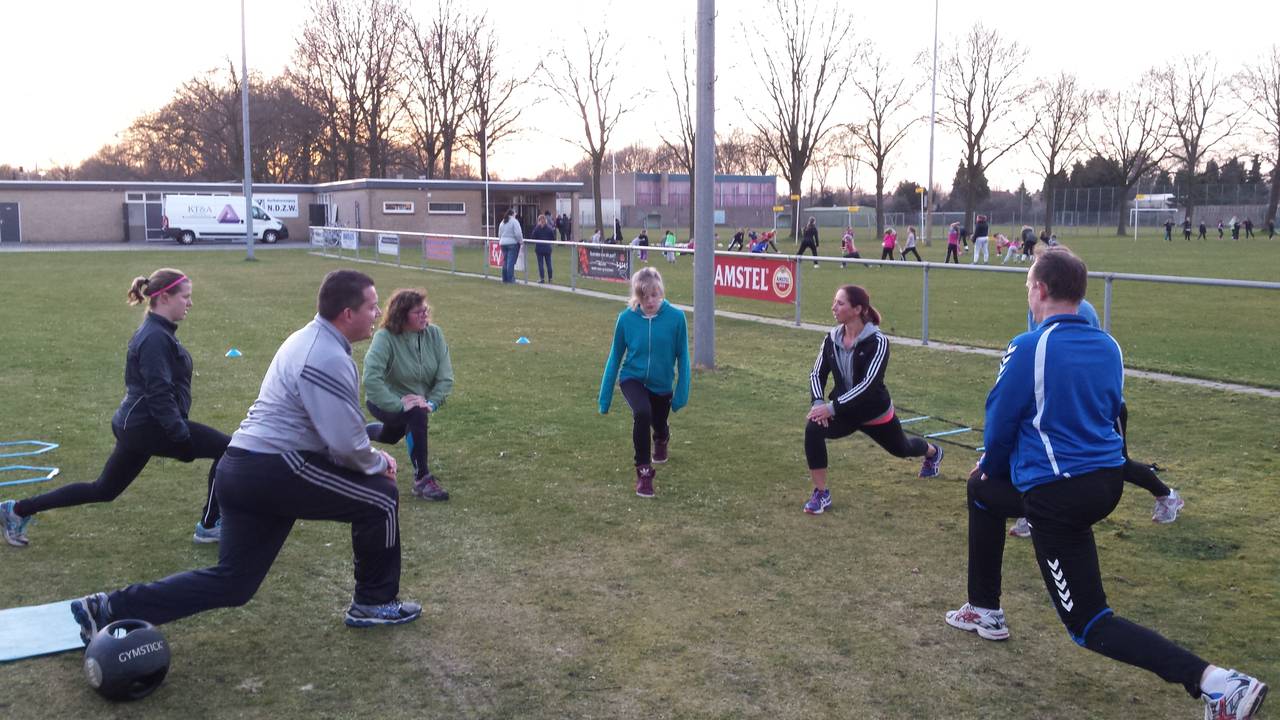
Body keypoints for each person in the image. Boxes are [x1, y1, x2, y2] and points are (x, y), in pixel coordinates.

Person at [944, 249, 1266, 720]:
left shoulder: (1029, 346)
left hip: (1060, 496)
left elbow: (1000, 421)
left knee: (1089, 625)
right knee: (983, 494)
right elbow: (1109, 413)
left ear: (1040, 290)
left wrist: (990, 463)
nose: (1027, 293)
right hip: (1105, 483)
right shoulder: (1109, 346)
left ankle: (1218, 684)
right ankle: (984, 608)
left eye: (1028, 285)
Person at [69, 270, 423, 644]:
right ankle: (374, 603)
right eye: (371, 306)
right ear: (347, 314)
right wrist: (379, 462)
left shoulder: (307, 338)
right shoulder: (327, 357)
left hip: (240, 466)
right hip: (273, 469)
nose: (377, 313)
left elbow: (330, 433)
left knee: (234, 583)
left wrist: (368, 448)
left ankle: (108, 608)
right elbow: (346, 447)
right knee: (379, 498)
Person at [2, 268, 228, 548]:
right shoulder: (155, 337)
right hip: (147, 425)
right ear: (165, 298)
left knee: (104, 489)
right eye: (186, 297)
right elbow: (158, 394)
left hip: (137, 425)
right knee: (228, 450)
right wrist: (180, 436)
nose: (190, 303)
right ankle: (209, 525)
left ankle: (16, 509)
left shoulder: (159, 332)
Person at [802, 285, 944, 515]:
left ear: (858, 309)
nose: (833, 307)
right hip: (842, 412)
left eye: (840, 303)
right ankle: (821, 493)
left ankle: (932, 452)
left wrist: (831, 407)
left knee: (903, 448)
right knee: (813, 428)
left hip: (874, 413)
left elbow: (868, 385)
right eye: (834, 302)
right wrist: (819, 403)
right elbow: (816, 373)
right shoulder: (831, 338)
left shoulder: (878, 342)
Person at [598, 268, 690, 498]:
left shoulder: (677, 318)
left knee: (658, 422)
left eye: (654, 295)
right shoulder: (626, 319)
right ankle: (644, 472)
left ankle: (662, 436)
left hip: (662, 384)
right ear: (636, 296)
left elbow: (684, 358)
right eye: (643, 296)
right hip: (633, 378)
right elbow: (614, 357)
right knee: (642, 413)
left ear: (661, 292)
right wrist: (605, 397)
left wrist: (681, 394)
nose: (649, 301)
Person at [363, 288, 454, 502]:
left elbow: (445, 376)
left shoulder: (435, 334)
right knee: (415, 414)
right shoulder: (384, 338)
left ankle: (361, 433)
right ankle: (422, 479)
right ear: (401, 315)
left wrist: (432, 402)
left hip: (419, 401)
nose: (425, 315)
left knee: (391, 435)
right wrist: (398, 404)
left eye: (426, 310)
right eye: (418, 312)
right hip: (382, 401)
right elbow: (371, 379)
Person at [497, 209, 522, 284]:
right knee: (510, 262)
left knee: (505, 261)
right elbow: (518, 233)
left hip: (503, 243)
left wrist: (501, 240)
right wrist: (520, 241)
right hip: (512, 243)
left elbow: (499, 234)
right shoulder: (514, 222)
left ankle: (504, 279)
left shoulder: (502, 222)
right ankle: (510, 279)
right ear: (512, 214)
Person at [530, 215, 557, 283]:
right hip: (547, 248)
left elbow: (533, 237)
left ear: (538, 221)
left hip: (539, 249)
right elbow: (553, 238)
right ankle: (550, 279)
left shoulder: (537, 228)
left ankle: (542, 279)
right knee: (549, 264)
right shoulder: (549, 228)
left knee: (540, 264)